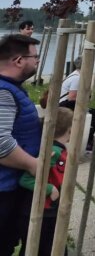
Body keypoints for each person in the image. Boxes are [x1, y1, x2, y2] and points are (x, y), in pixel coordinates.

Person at [0, 33, 42, 256]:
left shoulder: (10, 89)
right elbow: (1, 143)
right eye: (35, 57)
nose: (37, 61)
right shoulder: (3, 91)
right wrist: (33, 165)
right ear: (18, 61)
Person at [18, 106, 72, 256]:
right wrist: (50, 189)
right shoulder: (52, 152)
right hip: (41, 213)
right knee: (42, 248)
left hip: (49, 211)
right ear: (70, 130)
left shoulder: (58, 149)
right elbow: (26, 180)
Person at [58, 56, 95, 153]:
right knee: (94, 114)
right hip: (65, 104)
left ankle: (88, 140)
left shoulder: (73, 74)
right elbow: (72, 97)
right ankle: (88, 142)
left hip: (63, 103)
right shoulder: (77, 78)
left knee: (92, 112)